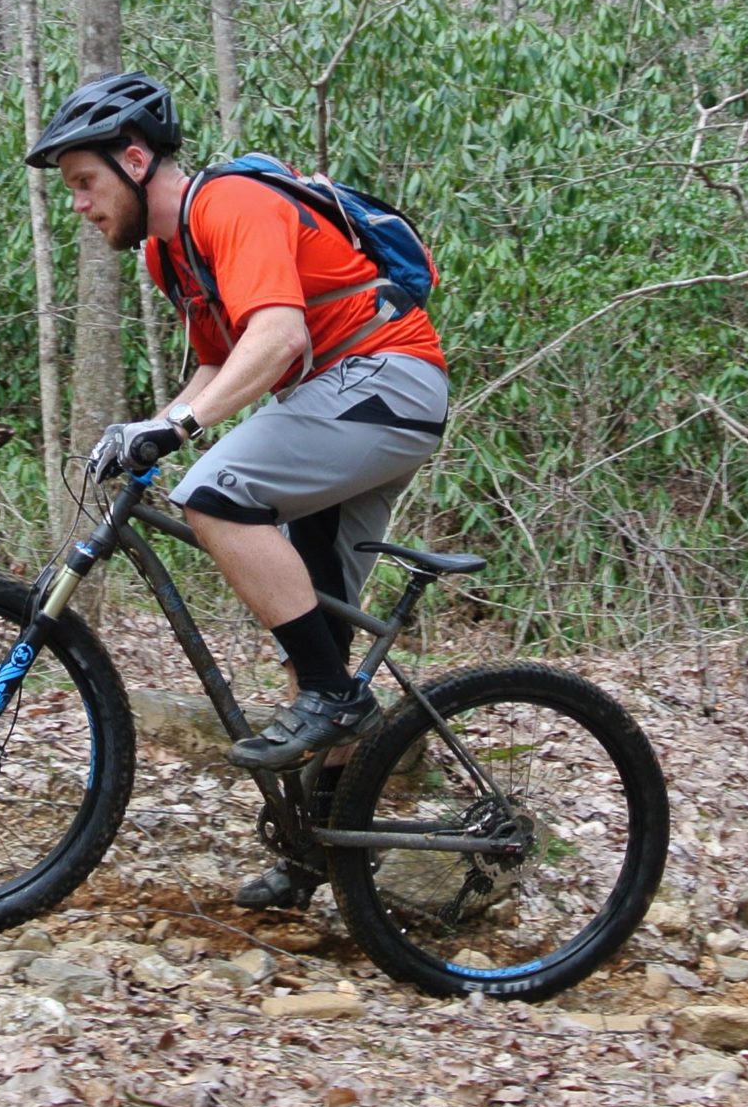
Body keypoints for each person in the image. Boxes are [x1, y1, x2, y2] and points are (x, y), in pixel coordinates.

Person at [24, 71, 450, 910]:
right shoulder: (166, 250)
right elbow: (223, 360)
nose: (77, 203)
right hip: (345, 400)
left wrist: (180, 434)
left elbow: (281, 332)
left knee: (214, 492)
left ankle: (334, 697)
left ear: (137, 159)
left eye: (85, 182)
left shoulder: (230, 205)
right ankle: (316, 854)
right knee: (319, 633)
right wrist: (152, 422)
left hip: (383, 381)